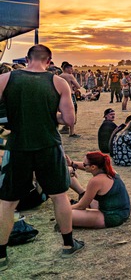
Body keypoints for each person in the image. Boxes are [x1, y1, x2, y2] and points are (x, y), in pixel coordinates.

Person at [0, 45, 84, 269]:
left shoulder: (5, 78)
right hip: (48, 145)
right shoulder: (58, 82)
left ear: (27, 59)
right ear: (49, 61)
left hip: (17, 146)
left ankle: (0, 256)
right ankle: (68, 244)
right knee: (59, 196)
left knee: (7, 202)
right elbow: (69, 120)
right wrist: (49, 112)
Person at [70, 151, 131, 228]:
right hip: (123, 212)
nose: (83, 165)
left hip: (111, 216)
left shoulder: (96, 181)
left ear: (93, 167)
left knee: (65, 215)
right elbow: (85, 166)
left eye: (85, 164)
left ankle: (71, 204)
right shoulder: (111, 171)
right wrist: (72, 163)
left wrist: (65, 208)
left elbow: (82, 206)